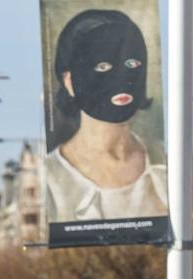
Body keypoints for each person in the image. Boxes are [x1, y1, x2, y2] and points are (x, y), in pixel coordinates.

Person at [44, 9, 167, 224]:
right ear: (69, 81)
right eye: (103, 67)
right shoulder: (52, 180)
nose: (121, 78)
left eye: (131, 64)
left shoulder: (166, 165)